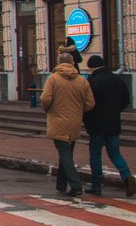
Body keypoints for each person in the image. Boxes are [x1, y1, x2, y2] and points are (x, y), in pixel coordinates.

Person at [41, 51, 95, 197]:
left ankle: (76, 185)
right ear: (72, 63)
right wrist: (78, 110)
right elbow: (90, 103)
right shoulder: (82, 80)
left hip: (58, 120)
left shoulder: (53, 78)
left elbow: (46, 99)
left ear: (58, 63)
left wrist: (48, 109)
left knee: (65, 153)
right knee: (66, 152)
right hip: (74, 121)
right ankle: (61, 184)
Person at [84, 55, 134, 197]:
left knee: (95, 154)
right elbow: (126, 100)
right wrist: (115, 111)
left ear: (93, 67)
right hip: (113, 122)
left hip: (96, 124)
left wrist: (86, 120)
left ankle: (96, 185)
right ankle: (127, 177)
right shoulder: (117, 80)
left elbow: (88, 103)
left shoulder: (92, 82)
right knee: (115, 153)